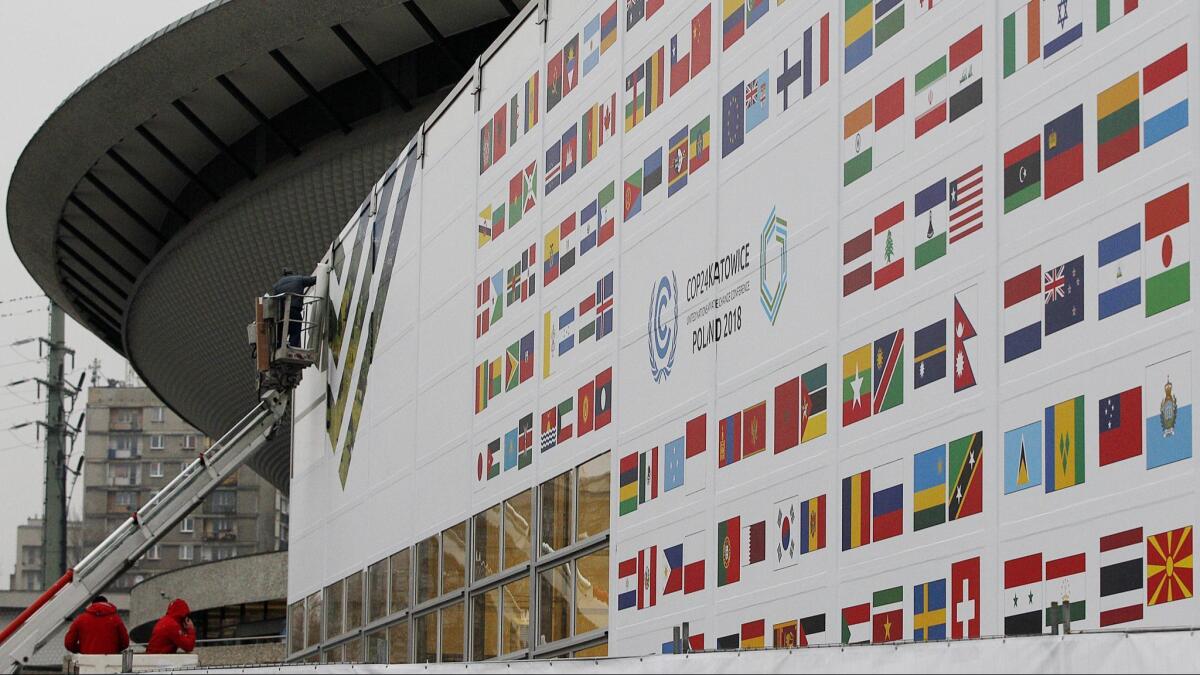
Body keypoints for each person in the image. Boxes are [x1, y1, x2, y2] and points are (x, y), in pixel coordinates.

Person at [63, 595, 130, 655]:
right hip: (110, 662)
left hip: (87, 662)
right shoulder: (116, 619)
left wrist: (82, 649)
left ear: (92, 605)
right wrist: (114, 650)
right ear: (107, 604)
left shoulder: (80, 619)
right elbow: (125, 642)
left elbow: (69, 643)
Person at [271, 268, 318, 348]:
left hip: (281, 314)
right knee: (295, 331)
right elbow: (313, 280)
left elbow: (274, 301)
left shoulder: (277, 286)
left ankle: (279, 346)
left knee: (281, 332)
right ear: (292, 274)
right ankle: (292, 347)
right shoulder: (299, 279)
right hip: (294, 310)